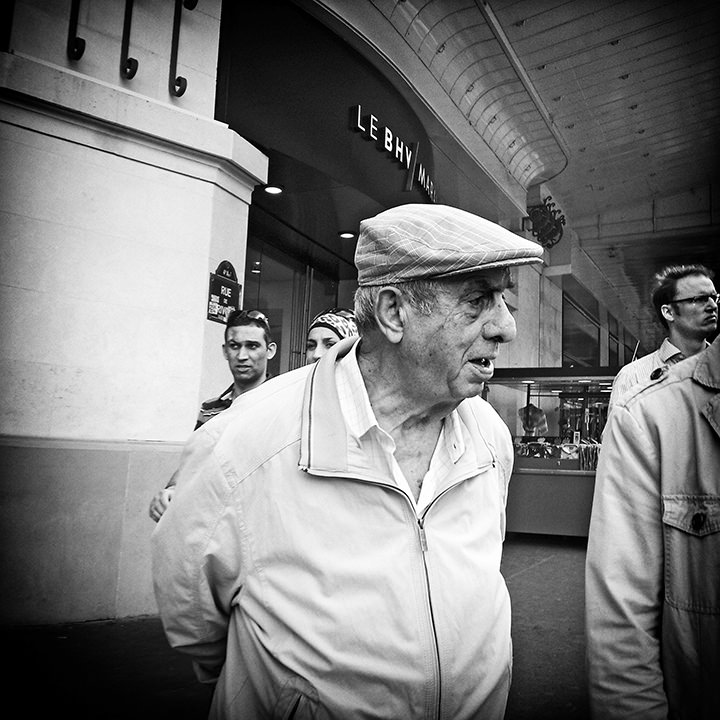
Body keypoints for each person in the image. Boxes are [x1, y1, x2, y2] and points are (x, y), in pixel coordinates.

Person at [151, 203, 543, 719]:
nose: (506, 328)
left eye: (503, 300)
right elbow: (192, 610)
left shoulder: (489, 436)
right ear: (393, 312)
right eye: (477, 302)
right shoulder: (249, 440)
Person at [586, 334, 720, 719]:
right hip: (640, 494)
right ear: (669, 312)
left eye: (711, 297)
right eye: (696, 299)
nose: (709, 306)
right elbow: (621, 631)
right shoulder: (636, 382)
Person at [147, 309, 276, 522]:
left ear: (270, 350)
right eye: (235, 346)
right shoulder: (211, 408)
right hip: (214, 521)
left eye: (252, 346)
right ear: (225, 351)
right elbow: (195, 461)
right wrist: (171, 491)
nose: (242, 356)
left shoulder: (281, 402)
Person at [608, 264, 717, 411]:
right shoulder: (632, 377)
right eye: (699, 299)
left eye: (714, 297)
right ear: (668, 312)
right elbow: (617, 433)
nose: (712, 306)